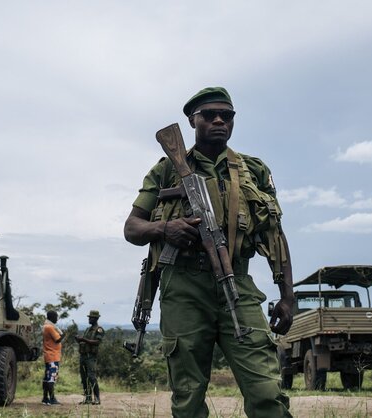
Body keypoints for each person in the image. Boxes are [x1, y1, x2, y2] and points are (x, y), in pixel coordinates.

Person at [123, 87, 295, 418]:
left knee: (267, 393)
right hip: (183, 288)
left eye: (227, 115)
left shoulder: (253, 170)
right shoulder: (166, 170)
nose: (219, 120)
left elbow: (276, 235)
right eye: (209, 115)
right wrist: (165, 229)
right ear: (192, 121)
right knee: (188, 397)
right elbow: (132, 228)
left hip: (239, 284)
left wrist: (287, 296)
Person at [75, 309, 104, 405]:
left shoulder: (99, 329)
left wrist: (83, 339)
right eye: (89, 317)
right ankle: (88, 398)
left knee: (92, 377)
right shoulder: (88, 329)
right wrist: (79, 340)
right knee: (84, 378)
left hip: (91, 357)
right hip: (83, 356)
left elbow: (97, 342)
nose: (89, 319)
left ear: (96, 319)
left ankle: (97, 398)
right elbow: (85, 341)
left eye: (91, 318)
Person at [41, 310, 64, 405]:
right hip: (53, 356)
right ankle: (52, 399)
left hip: (48, 355)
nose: (57, 319)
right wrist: (64, 335)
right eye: (56, 317)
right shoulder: (50, 327)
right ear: (51, 317)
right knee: (51, 378)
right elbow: (58, 339)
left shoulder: (46, 326)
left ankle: (45, 398)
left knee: (47, 378)